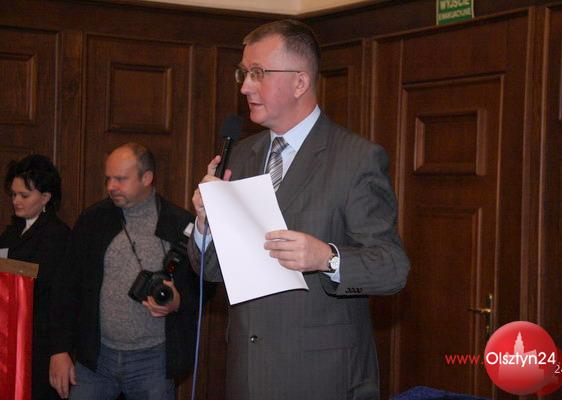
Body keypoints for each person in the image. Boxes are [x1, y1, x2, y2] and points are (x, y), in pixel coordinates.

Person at [188, 19, 410, 400]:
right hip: (246, 373)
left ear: (300, 82)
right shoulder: (241, 155)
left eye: (257, 73)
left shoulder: (356, 159)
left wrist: (327, 257)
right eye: (243, 73)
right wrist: (205, 224)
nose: (244, 87)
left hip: (321, 377)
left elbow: (392, 268)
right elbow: (209, 270)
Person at [48, 143, 198, 400]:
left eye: (120, 179)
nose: (111, 186)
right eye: (108, 178)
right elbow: (66, 286)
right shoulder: (93, 220)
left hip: (153, 361)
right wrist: (59, 350)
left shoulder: (179, 224)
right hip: (96, 359)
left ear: (146, 178)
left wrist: (178, 302)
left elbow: (205, 285)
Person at [0, 154, 70, 400]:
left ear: (46, 198)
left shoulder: (57, 236)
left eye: (24, 195)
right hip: (9, 336)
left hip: (38, 341)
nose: (16, 201)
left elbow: (59, 297)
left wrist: (59, 350)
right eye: (13, 194)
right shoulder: (12, 231)